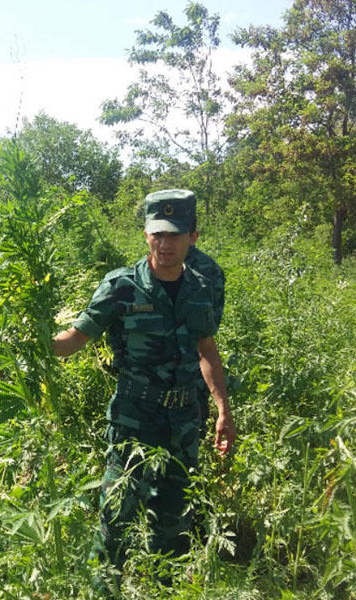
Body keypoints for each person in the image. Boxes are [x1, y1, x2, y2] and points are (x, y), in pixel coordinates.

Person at [51, 189, 235, 571]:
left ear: (193, 237)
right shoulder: (120, 286)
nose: (165, 243)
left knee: (173, 528)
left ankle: (162, 590)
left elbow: (206, 350)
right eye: (157, 234)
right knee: (115, 520)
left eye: (174, 234)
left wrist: (222, 410)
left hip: (184, 423)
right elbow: (75, 339)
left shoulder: (203, 287)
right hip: (133, 421)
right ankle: (104, 592)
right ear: (146, 235)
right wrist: (33, 341)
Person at [186, 238, 225, 438]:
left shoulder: (205, 270)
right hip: (199, 361)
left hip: (194, 358)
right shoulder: (212, 268)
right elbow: (213, 321)